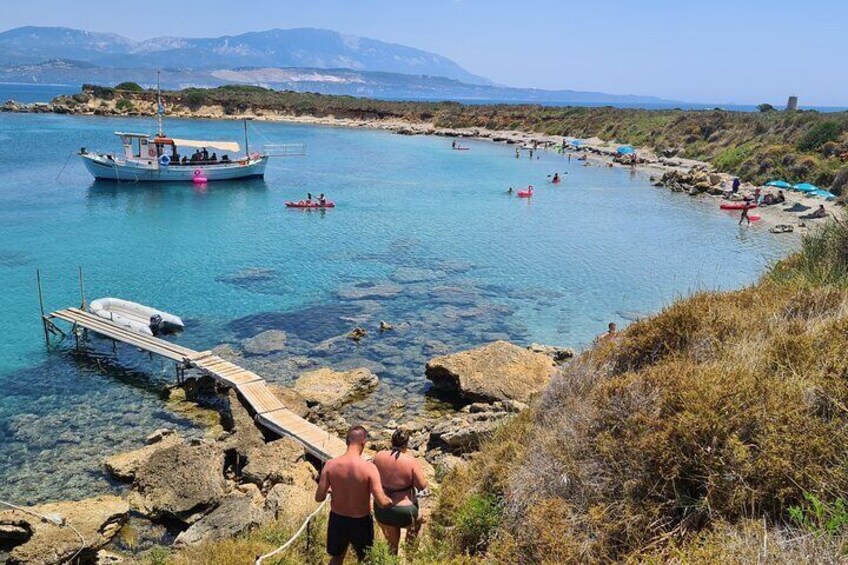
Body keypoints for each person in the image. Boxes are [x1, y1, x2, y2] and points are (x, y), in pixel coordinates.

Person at [316, 426, 392, 564]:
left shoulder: (330, 465)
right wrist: (394, 500)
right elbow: (382, 501)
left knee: (337, 557)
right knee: (366, 559)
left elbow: (319, 497)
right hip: (360, 522)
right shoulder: (369, 468)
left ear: (346, 441)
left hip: (337, 519)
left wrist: (332, 490)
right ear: (363, 442)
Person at [372, 430, 429, 555]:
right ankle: (410, 554)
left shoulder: (379, 456)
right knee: (418, 521)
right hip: (405, 510)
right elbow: (421, 485)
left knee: (392, 545)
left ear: (391, 442)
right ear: (406, 444)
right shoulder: (411, 461)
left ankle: (392, 559)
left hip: (383, 508)